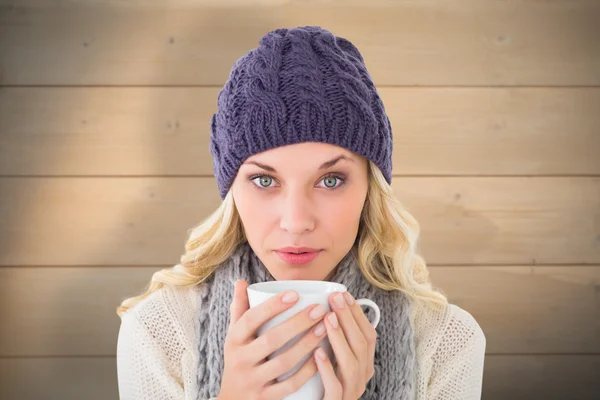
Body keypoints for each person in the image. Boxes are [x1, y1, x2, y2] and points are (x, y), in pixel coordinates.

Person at [115, 25, 486, 400]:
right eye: (263, 181)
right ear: (232, 194)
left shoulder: (446, 341)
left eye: (330, 181)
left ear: (369, 190)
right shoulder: (160, 331)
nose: (296, 222)